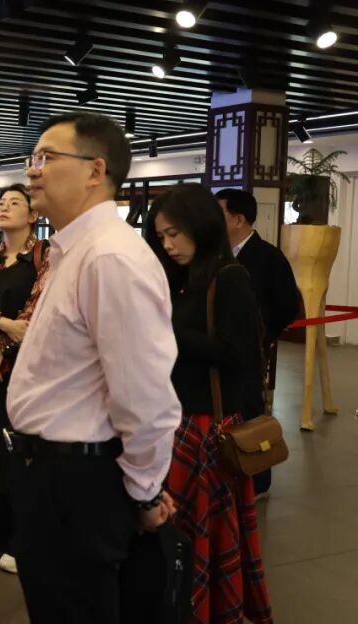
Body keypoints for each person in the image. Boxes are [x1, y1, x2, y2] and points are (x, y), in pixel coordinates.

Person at [6, 112, 182, 624]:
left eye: (46, 157)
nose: (33, 170)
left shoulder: (110, 256)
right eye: (32, 158)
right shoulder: (74, 250)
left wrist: (145, 491)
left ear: (95, 170)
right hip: (50, 473)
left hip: (80, 481)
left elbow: (144, 393)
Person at [146, 184, 273, 624]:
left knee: (204, 535)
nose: (168, 244)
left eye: (174, 234)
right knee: (180, 536)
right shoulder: (180, 279)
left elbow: (239, 357)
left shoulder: (229, 278)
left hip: (206, 426)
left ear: (200, 226)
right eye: (161, 236)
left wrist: (169, 333)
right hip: (175, 420)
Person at [0, 183, 48, 574]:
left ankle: (25, 535)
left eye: (14, 203)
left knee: (21, 446)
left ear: (32, 215)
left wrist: (2, 345)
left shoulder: (41, 256)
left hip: (26, 364)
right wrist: (2, 325)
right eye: (1, 203)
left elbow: (37, 312)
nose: (4, 207)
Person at [215, 188, 299, 499]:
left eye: (219, 214)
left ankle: (258, 479)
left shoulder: (268, 257)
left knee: (250, 411)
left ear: (238, 219)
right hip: (221, 350)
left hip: (251, 351)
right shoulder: (217, 255)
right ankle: (229, 472)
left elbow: (287, 305)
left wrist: (264, 335)